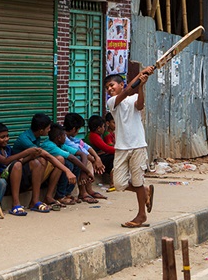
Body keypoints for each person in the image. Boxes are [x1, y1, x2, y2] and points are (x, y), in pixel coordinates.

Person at [105, 69, 156, 228]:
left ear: (121, 84)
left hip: (138, 145)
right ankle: (145, 191)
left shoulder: (133, 97)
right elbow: (127, 92)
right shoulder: (112, 102)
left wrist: (141, 86)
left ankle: (141, 215)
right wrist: (141, 74)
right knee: (119, 183)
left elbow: (139, 105)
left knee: (137, 181)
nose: (109, 89)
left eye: (112, 85)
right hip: (121, 147)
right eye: (107, 87)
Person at [0, 122, 58, 215]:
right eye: (2, 137)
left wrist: (31, 156)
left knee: (36, 163)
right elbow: (6, 161)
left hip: (16, 177)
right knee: (17, 165)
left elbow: (19, 160)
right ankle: (15, 203)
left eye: (7, 136)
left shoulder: (7, 148)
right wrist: (26, 152)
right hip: (4, 180)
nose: (6, 139)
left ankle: (35, 201)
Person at [13, 113, 77, 209]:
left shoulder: (37, 137)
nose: (49, 130)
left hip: (32, 170)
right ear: (41, 130)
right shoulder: (25, 139)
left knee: (59, 159)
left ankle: (48, 196)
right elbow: (46, 155)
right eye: (48, 128)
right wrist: (67, 171)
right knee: (42, 160)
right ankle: (34, 200)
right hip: (20, 173)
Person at [43, 123, 94, 205]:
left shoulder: (60, 144)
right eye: (64, 136)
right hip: (47, 171)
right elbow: (71, 157)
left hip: (57, 170)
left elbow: (82, 154)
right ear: (59, 138)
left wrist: (84, 172)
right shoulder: (49, 145)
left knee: (77, 161)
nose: (65, 138)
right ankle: (60, 195)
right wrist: (88, 172)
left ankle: (67, 193)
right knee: (69, 164)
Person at [63, 113, 106, 204]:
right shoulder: (64, 138)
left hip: (75, 157)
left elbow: (84, 146)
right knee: (83, 160)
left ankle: (88, 190)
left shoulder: (71, 137)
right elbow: (79, 150)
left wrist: (97, 158)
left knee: (86, 159)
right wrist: (94, 160)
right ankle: (83, 192)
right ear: (74, 129)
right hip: (68, 160)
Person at [85, 115, 115, 180]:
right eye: (103, 127)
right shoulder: (94, 136)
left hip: (96, 156)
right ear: (99, 128)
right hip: (92, 158)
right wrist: (120, 150)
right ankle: (111, 178)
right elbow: (107, 148)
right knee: (112, 157)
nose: (104, 128)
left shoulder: (94, 135)